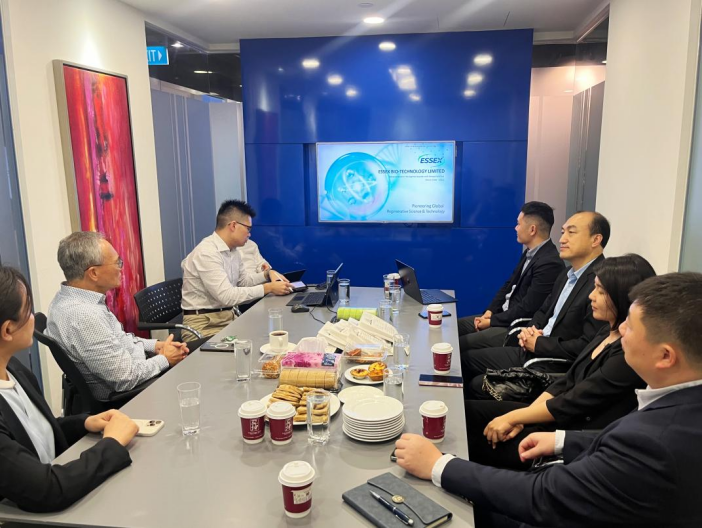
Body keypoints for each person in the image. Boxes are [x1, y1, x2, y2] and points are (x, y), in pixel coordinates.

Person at [395, 272, 702, 528]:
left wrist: (439, 465)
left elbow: (542, 496)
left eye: (631, 327)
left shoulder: (655, 443)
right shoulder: (681, 409)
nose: (621, 329)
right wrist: (561, 441)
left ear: (665, 356)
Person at [465, 254, 655, 470]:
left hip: (570, 436)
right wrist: (522, 418)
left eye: (601, 291)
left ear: (622, 297)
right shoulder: (605, 331)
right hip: (555, 416)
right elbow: (566, 381)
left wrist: (516, 418)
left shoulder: (626, 354)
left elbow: (575, 400)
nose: (591, 296)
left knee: (477, 440)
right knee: (468, 412)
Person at [0, 265, 138, 512]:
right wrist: (112, 444)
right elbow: (47, 490)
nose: (33, 318)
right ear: (8, 330)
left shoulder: (15, 370)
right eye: (28, 311)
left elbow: (31, 432)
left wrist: (85, 423)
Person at [462, 211, 611, 398]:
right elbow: (543, 311)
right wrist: (530, 331)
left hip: (550, 362)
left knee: (476, 383)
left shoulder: (601, 283)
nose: (562, 239)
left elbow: (587, 345)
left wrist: (540, 344)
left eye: (571, 233)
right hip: (531, 346)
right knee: (464, 359)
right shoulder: (566, 274)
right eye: (562, 232)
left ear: (596, 239)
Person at [47, 232, 187, 401]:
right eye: (117, 263)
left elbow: (119, 339)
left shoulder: (67, 297)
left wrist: (156, 346)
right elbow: (126, 379)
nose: (121, 268)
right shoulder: (84, 316)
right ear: (93, 273)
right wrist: (165, 359)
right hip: (131, 395)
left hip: (137, 369)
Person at [458, 202, 564, 351]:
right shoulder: (530, 253)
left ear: (532, 229)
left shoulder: (550, 263)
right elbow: (508, 285)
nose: (515, 228)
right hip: (502, 316)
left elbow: (528, 308)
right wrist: (490, 311)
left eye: (518, 224)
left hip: (513, 326)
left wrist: (491, 321)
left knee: (459, 345)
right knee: (454, 327)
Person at [180, 199, 291, 341]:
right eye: (248, 229)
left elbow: (244, 282)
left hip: (228, 318)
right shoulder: (207, 253)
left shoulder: (233, 251)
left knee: (268, 335)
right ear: (233, 225)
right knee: (256, 344)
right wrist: (268, 288)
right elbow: (226, 296)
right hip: (204, 326)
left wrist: (266, 274)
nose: (249, 234)